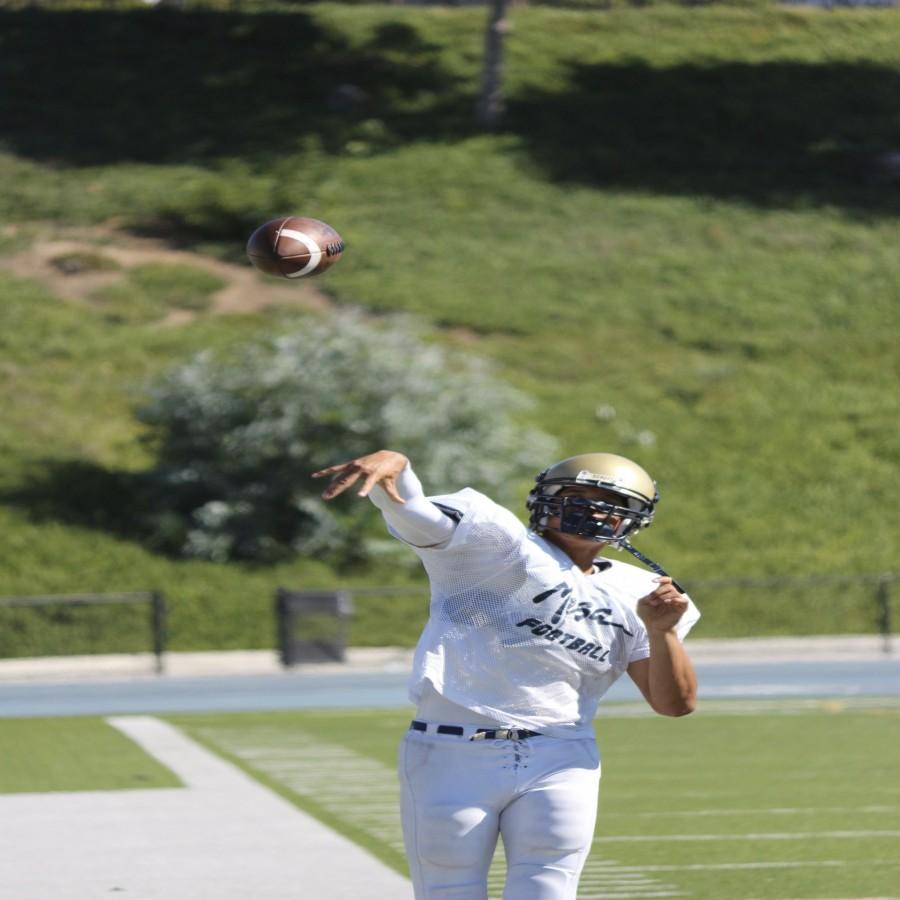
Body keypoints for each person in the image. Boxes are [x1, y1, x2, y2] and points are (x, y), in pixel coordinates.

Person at [313, 449, 699, 900]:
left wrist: (663, 631)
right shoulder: (498, 544)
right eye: (577, 495)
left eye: (608, 502)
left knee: (548, 893)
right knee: (448, 891)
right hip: (451, 749)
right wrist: (399, 477)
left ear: (632, 520)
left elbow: (674, 705)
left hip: (561, 754)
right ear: (546, 501)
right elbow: (419, 516)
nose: (592, 509)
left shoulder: (641, 592)